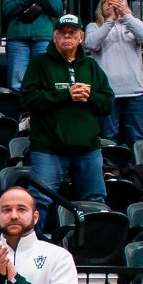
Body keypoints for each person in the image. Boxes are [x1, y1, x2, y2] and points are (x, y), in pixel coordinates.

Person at [20, 14, 111, 219]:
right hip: (48, 147)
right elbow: (27, 100)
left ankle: (91, 240)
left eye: (72, 33)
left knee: (95, 201)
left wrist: (89, 96)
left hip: (87, 147)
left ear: (81, 37)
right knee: (39, 199)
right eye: (63, 32)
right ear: (55, 37)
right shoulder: (39, 64)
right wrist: (65, 95)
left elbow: (108, 103)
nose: (67, 36)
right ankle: (32, 239)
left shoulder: (91, 66)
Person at [86, 0, 143, 145]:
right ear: (101, 7)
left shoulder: (133, 24)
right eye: (107, 2)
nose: (111, 5)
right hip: (108, 93)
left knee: (136, 137)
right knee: (109, 137)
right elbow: (91, 44)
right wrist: (110, 21)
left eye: (116, 1)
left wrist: (126, 15)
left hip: (135, 91)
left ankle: (135, 163)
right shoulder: (94, 26)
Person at [2, 0, 62, 91]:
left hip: (43, 37)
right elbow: (7, 11)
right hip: (17, 37)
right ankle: (21, 106)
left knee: (44, 79)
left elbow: (57, 10)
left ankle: (41, 105)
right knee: (17, 82)